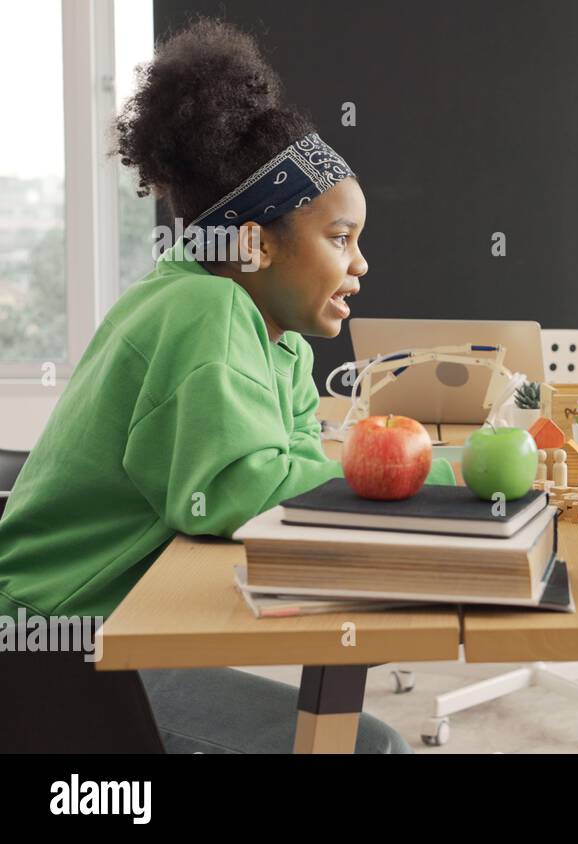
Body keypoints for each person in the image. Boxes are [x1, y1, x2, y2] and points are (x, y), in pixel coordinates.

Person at [0, 19, 451, 753]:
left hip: (116, 632)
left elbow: (289, 475)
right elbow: (238, 492)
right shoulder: (201, 310)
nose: (360, 264)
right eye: (340, 239)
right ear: (255, 242)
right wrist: (427, 477)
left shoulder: (278, 344)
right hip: (58, 657)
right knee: (367, 747)